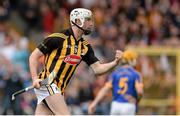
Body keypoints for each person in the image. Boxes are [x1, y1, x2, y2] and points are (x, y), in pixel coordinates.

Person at [29, 8, 123, 115]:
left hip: (58, 88)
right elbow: (33, 56)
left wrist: (115, 62)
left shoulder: (85, 46)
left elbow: (98, 69)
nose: (91, 23)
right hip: (48, 83)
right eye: (88, 20)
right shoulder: (58, 38)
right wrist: (34, 78)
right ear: (77, 21)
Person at [88, 50, 144, 115]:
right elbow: (140, 92)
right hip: (129, 105)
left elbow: (105, 89)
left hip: (116, 105)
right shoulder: (136, 74)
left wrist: (94, 103)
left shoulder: (115, 73)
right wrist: (137, 100)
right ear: (132, 60)